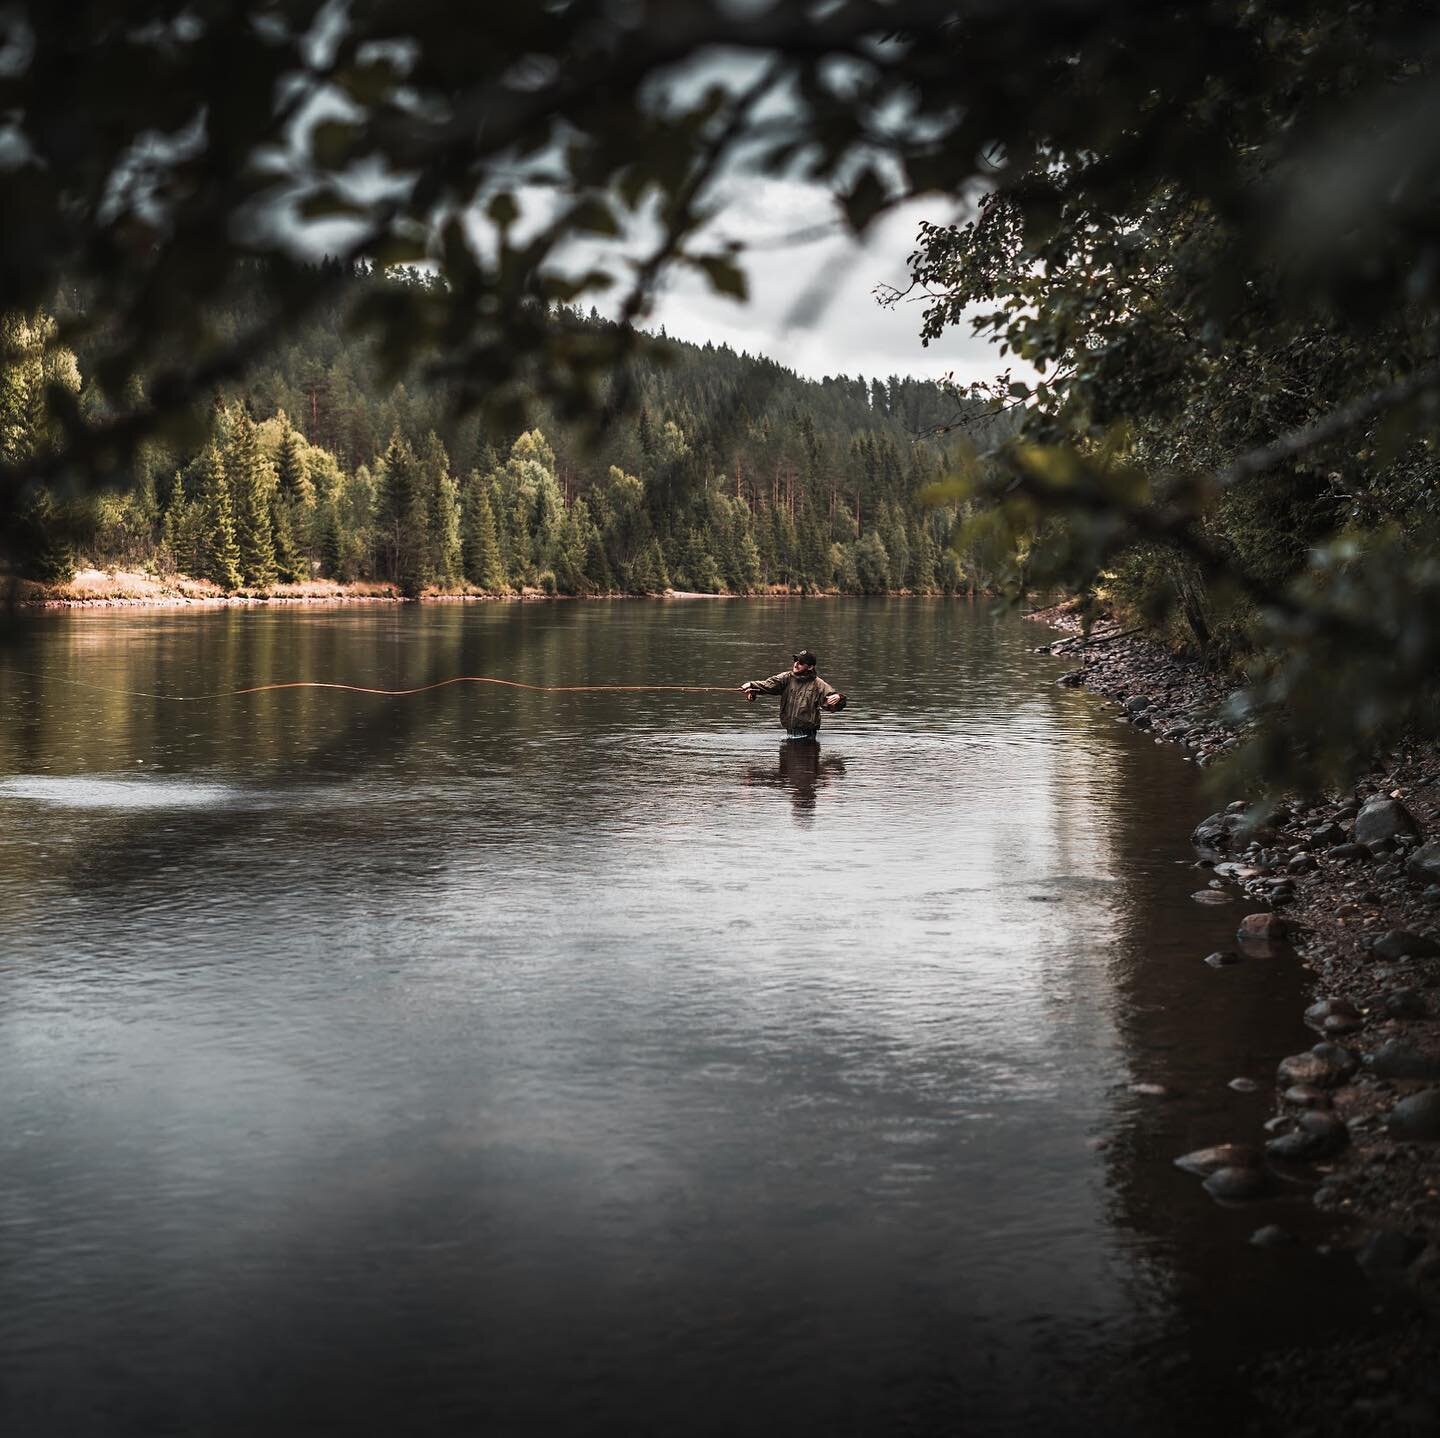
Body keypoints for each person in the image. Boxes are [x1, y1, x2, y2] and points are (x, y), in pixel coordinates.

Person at [740, 648, 846, 741]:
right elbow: (769, 685)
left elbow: (835, 703)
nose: (796, 664)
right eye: (795, 660)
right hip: (789, 734)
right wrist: (751, 685)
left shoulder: (818, 685)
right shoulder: (786, 678)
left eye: (800, 663)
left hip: (808, 737)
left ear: (810, 667)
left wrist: (838, 697)